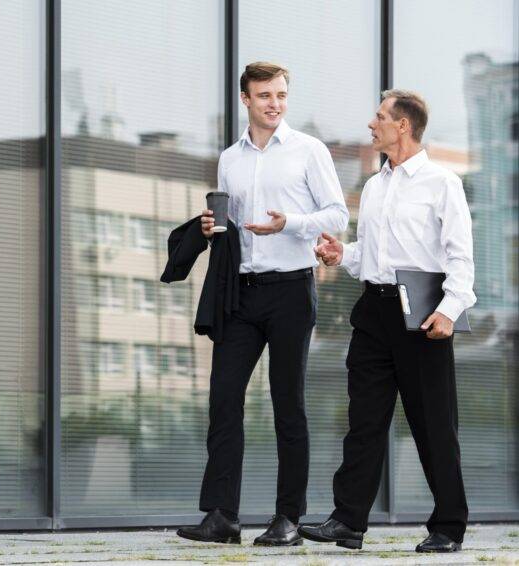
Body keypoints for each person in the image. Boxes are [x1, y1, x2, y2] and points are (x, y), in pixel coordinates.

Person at [176, 61, 348, 546]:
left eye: (281, 95)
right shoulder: (230, 158)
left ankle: (288, 519)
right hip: (242, 292)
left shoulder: (308, 151)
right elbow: (230, 222)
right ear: (246, 99)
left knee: (287, 404)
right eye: (265, 95)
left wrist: (288, 223)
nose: (275, 103)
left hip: (291, 290)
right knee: (224, 401)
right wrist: (212, 228)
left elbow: (338, 214)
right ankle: (221, 516)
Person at [300, 90, 475, 553]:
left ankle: (448, 526)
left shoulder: (441, 182)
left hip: (422, 316)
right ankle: (349, 521)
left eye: (379, 117)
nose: (371, 124)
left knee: (433, 424)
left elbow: (460, 255)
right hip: (374, 312)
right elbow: (375, 256)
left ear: (403, 126)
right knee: (364, 421)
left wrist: (449, 310)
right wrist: (344, 254)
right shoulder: (376, 184)